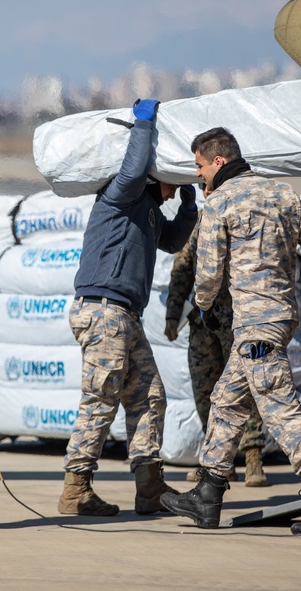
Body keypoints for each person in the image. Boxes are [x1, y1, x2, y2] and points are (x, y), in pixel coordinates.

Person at [161, 127, 301, 535]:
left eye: (199, 166)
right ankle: (208, 494)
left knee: (280, 408)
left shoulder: (220, 202)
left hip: (253, 324)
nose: (198, 176)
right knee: (227, 400)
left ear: (218, 162)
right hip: (281, 317)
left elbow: (208, 270)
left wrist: (205, 307)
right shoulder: (286, 195)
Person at [59, 99, 198, 517]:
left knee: (150, 397)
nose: (173, 188)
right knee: (100, 400)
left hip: (123, 317)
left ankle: (149, 487)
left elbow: (173, 242)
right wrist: (144, 122)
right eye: (171, 181)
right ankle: (75, 489)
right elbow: (135, 168)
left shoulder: (151, 214)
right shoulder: (121, 195)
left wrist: (188, 207)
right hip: (104, 312)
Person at [165, 215, 269, 488]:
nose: (206, 190)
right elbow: (183, 267)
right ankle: (218, 462)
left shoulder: (244, 216)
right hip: (204, 320)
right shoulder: (200, 221)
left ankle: (253, 457)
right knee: (205, 389)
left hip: (238, 318)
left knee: (245, 385)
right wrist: (173, 314)